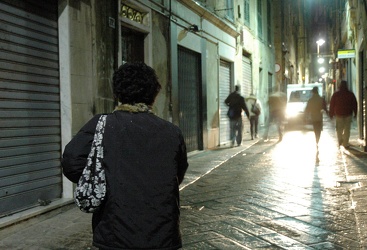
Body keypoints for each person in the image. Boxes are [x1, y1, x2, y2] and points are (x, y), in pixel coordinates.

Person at [61, 62, 189, 250]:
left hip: (115, 231)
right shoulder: (172, 132)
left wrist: (103, 179)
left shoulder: (101, 125)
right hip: (162, 233)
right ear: (154, 95)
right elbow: (178, 173)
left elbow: (72, 162)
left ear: (117, 94)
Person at [329, 80, 357, 148]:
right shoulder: (350, 94)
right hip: (348, 114)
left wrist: (331, 114)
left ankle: (340, 140)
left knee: (339, 129)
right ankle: (345, 143)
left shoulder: (336, 94)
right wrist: (355, 113)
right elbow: (354, 104)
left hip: (339, 114)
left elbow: (332, 104)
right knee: (347, 129)